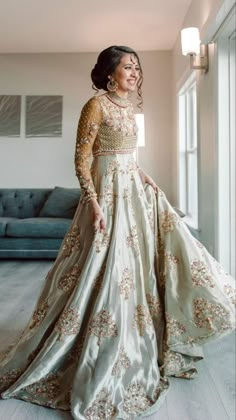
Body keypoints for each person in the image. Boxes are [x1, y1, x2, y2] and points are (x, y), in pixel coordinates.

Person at [0, 45, 235, 419]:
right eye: (128, 66)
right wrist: (92, 203)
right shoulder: (95, 105)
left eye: (137, 67)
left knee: (138, 265)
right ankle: (89, 347)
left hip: (133, 193)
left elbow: (128, 154)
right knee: (100, 266)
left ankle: (138, 336)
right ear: (110, 72)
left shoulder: (131, 108)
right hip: (106, 195)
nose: (135, 72)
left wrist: (144, 178)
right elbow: (82, 158)